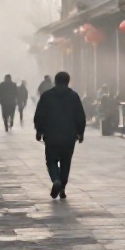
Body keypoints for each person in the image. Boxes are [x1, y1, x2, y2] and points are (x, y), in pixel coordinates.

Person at [34, 71, 86, 200]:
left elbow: (39, 115)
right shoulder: (73, 96)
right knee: (65, 162)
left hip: (51, 135)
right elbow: (80, 116)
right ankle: (62, 187)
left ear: (55, 81)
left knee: (51, 161)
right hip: (69, 136)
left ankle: (56, 180)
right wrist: (80, 132)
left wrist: (39, 131)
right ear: (68, 81)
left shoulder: (46, 96)